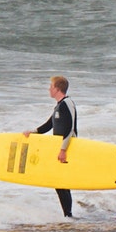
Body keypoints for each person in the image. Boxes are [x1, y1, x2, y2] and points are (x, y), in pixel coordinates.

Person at [27, 74, 77, 218]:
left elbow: (70, 128)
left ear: (57, 88)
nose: (49, 89)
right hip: (61, 148)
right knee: (60, 183)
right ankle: (68, 216)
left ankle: (68, 216)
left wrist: (63, 149)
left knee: (61, 183)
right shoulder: (59, 106)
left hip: (67, 148)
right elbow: (49, 125)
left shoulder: (68, 103)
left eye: (51, 86)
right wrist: (33, 132)